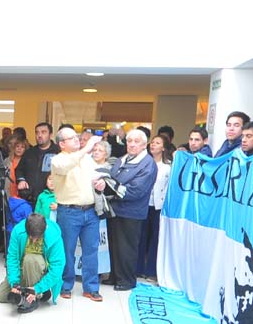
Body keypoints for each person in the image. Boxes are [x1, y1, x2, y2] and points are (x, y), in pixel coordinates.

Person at [50, 126, 103, 301]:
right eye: (71, 138)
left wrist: (100, 182)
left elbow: (97, 175)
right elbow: (67, 166)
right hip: (68, 212)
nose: (76, 140)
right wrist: (87, 148)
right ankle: (66, 285)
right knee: (67, 250)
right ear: (61, 144)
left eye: (76, 137)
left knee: (91, 251)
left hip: (90, 211)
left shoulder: (87, 159)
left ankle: (91, 287)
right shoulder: (57, 160)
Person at [107, 129, 157, 291]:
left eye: (136, 142)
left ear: (144, 145)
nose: (132, 144)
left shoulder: (147, 163)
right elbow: (112, 178)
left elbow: (136, 190)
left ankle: (127, 280)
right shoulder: (122, 159)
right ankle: (114, 276)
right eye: (129, 141)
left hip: (131, 212)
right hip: (115, 210)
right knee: (114, 246)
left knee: (127, 248)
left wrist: (113, 189)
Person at [0, 213, 65, 313]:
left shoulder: (54, 236)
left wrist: (37, 288)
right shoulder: (18, 231)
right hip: (22, 269)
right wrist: (15, 283)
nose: (34, 240)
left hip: (41, 270)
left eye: (37, 237)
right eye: (31, 237)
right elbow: (12, 258)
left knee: (30, 259)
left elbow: (57, 268)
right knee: (1, 296)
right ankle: (32, 293)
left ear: (44, 230)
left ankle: (33, 296)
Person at [138, 133, 173, 278]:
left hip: (159, 206)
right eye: (152, 142)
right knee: (141, 237)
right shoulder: (143, 162)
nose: (153, 145)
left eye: (157, 143)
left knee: (156, 239)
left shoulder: (168, 166)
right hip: (143, 204)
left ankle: (152, 270)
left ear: (164, 148)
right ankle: (138, 269)